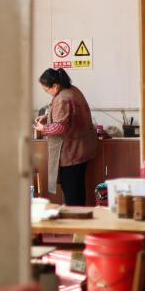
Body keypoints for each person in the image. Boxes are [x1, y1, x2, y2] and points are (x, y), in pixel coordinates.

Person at [34, 68, 98, 205]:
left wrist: (43, 128)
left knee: (72, 194)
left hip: (71, 153)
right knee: (78, 189)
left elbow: (60, 127)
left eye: (46, 90)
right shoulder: (72, 90)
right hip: (82, 150)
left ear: (55, 86)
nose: (47, 93)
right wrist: (47, 117)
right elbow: (67, 116)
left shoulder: (62, 99)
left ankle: (75, 217)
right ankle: (79, 215)